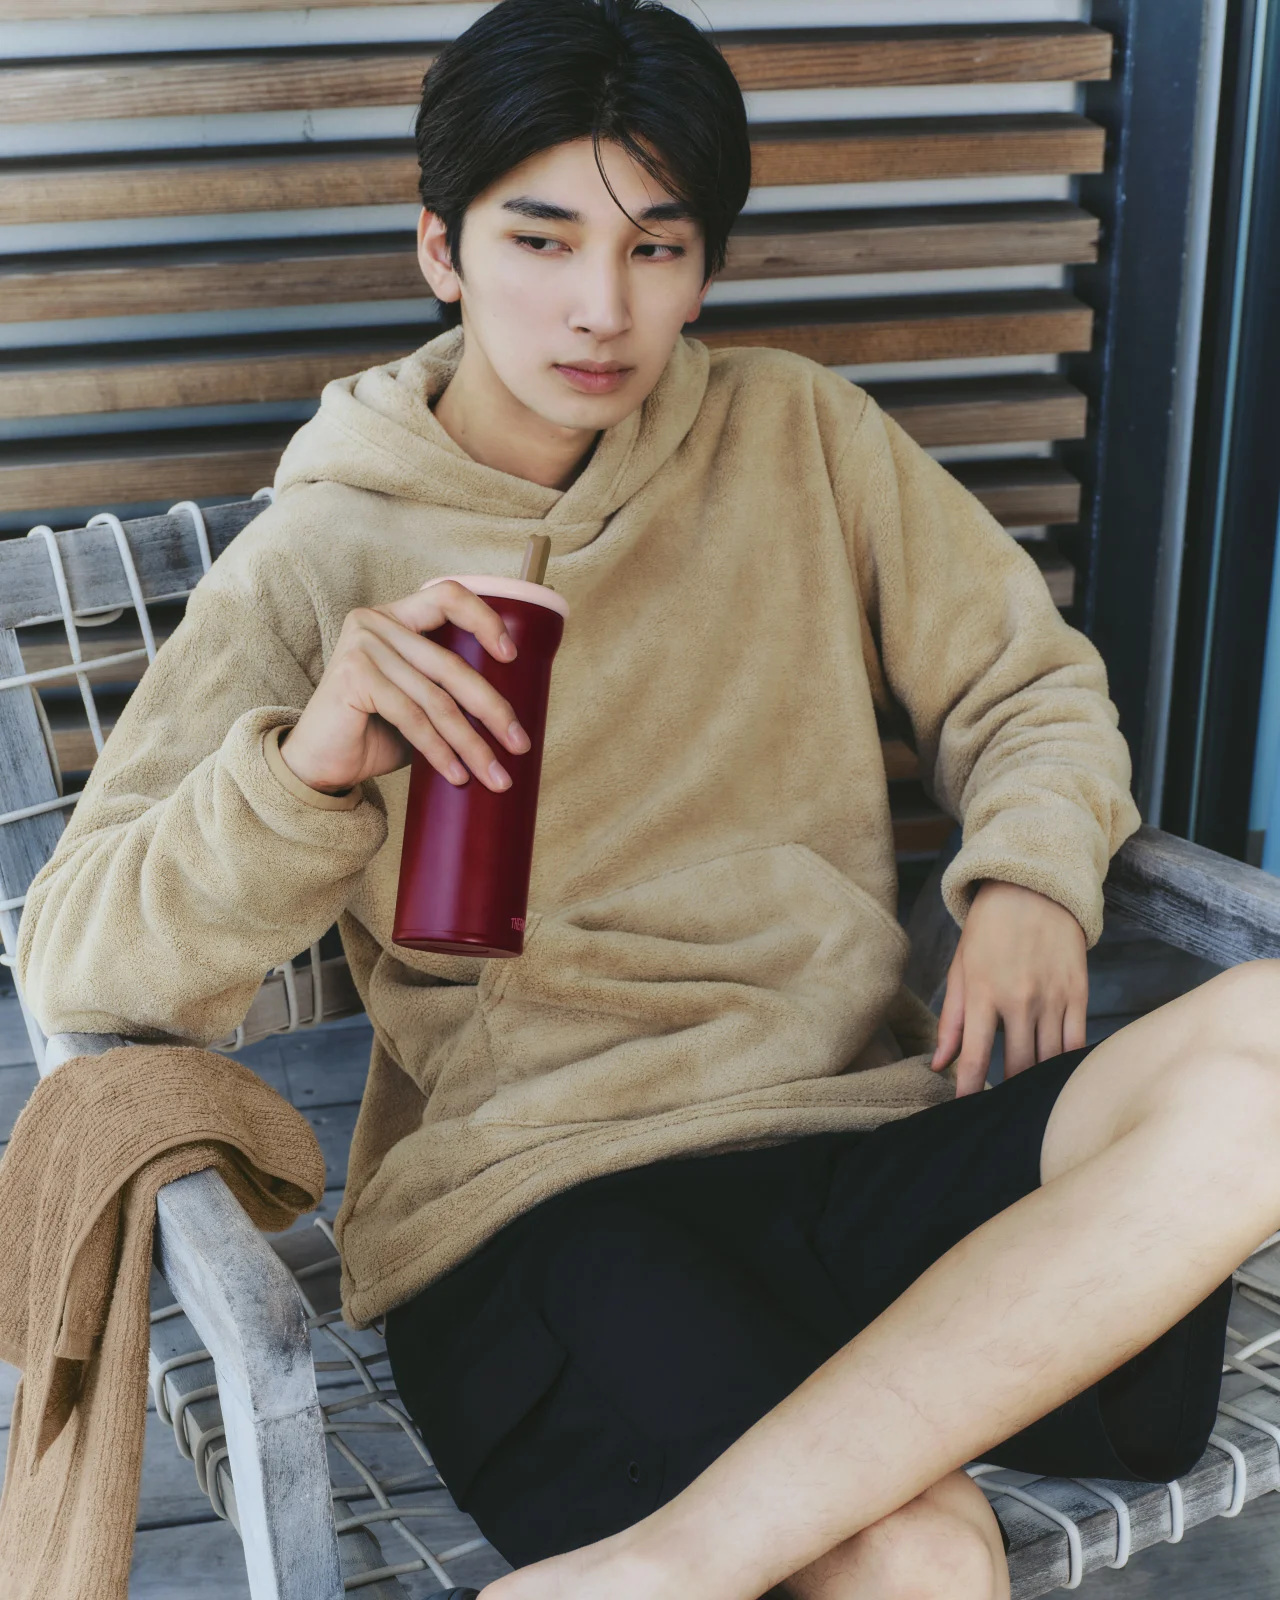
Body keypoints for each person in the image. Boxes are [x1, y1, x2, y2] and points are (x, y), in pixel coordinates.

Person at [16, 2, 1280, 1597]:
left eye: (656, 248)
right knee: (914, 1557)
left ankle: (674, 1563)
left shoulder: (800, 433)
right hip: (554, 1207)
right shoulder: (322, 557)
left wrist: (1030, 876)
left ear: (705, 268)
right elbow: (79, 959)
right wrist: (304, 768)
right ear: (441, 248)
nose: (601, 308)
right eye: (540, 240)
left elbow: (1026, 685)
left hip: (859, 1138)